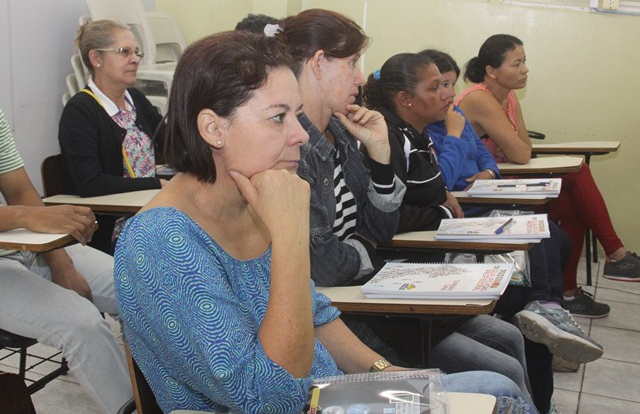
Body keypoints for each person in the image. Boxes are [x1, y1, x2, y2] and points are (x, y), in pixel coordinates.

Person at [114, 30, 536, 414]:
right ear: (213, 128)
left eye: (296, 115)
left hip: (324, 395)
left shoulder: (251, 198)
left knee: (495, 388)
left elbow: (317, 315)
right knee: (496, 393)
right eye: (278, 117)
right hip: (294, 404)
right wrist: (291, 234)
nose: (299, 134)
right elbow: (270, 396)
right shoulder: (162, 239)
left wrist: (383, 371)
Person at [273, 8, 537, 405]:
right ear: (318, 63)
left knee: (506, 338)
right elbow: (326, 263)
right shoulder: (295, 149)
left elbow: (379, 228)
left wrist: (379, 156)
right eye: (351, 64)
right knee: (502, 380)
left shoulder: (342, 134)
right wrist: (367, 249)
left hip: (363, 294)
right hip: (347, 311)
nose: (360, 78)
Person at [361, 51, 605, 413]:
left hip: (436, 248)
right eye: (438, 86)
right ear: (405, 99)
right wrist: (443, 202)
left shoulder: (423, 131)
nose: (448, 94)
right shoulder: (392, 138)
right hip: (408, 274)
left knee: (548, 246)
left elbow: (484, 160)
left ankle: (543, 351)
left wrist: (485, 173)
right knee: (510, 334)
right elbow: (399, 211)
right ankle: (541, 312)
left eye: (449, 84)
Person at [455, 35, 640, 315]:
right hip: (481, 189)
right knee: (577, 175)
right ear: (491, 71)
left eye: (524, 62)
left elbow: (524, 147)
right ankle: (616, 255)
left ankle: (569, 292)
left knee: (576, 202)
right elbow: (520, 154)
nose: (525, 69)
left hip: (506, 182)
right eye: (516, 64)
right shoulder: (479, 97)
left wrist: (514, 147)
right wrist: (513, 148)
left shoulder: (509, 97)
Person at [0, 108, 131, 413]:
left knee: (136, 287)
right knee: (82, 324)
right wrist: (26, 216)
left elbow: (19, 189)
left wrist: (60, 263)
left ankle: (161, 396)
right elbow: (24, 210)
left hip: (23, 245)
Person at [59, 20, 166, 255]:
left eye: (136, 52)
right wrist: (156, 184)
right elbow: (91, 184)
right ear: (97, 58)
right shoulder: (80, 111)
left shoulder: (136, 99)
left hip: (149, 216)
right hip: (112, 232)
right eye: (124, 52)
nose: (135, 59)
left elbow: (170, 142)